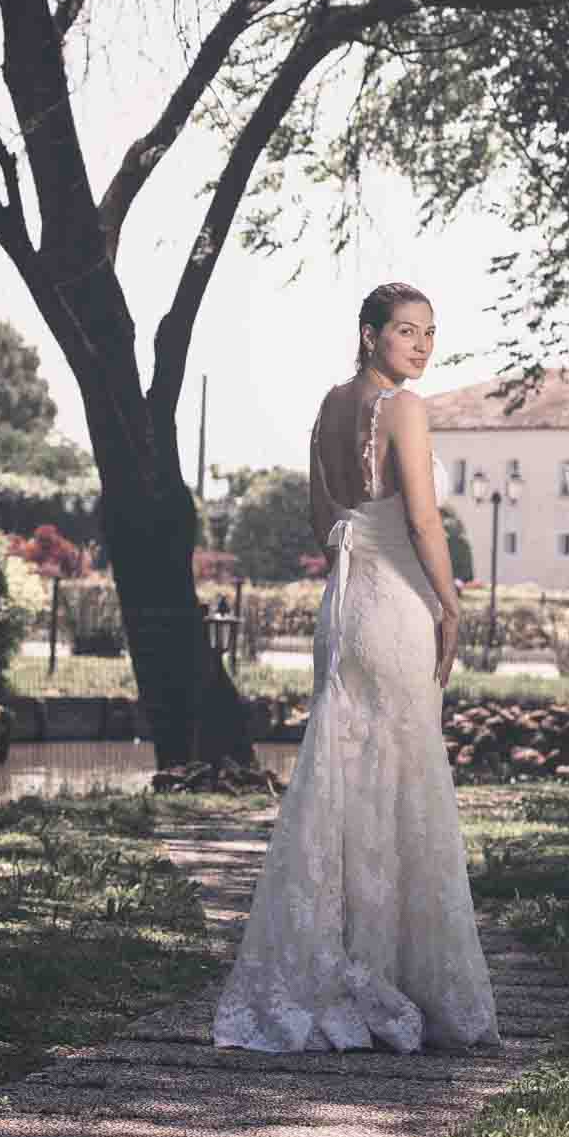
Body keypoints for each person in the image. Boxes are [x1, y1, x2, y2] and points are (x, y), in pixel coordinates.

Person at [212, 282, 499, 1053]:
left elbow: (321, 520)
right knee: (403, 775)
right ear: (369, 333)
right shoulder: (403, 408)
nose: (421, 345)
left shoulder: (327, 408)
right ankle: (399, 974)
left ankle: (340, 966)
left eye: (430, 332)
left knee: (342, 777)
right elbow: (424, 518)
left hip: (343, 608)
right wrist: (450, 605)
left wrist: (362, 548)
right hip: (396, 605)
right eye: (405, 331)